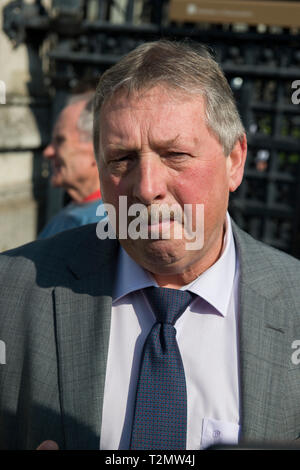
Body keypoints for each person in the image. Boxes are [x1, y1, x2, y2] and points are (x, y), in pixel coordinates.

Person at [0, 40, 300, 451]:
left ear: (235, 160)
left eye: (175, 154)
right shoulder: (11, 291)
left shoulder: (294, 305)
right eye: (122, 159)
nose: (146, 188)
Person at [38, 92, 104, 238]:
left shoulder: (109, 227)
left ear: (96, 149)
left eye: (60, 140)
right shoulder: (71, 215)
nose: (48, 152)